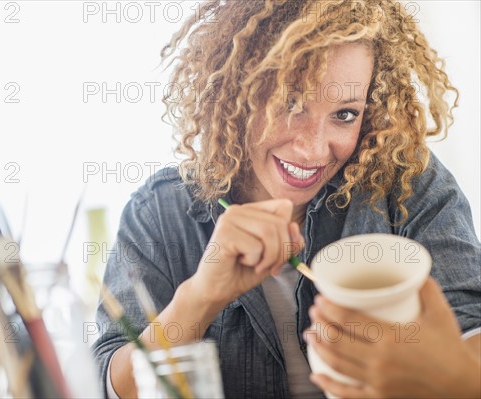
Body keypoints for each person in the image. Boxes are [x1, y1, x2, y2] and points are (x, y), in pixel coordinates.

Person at [92, 1, 481, 398]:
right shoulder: (158, 212)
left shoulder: (405, 181)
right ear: (236, 91)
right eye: (290, 104)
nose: (313, 150)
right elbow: (109, 385)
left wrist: (441, 372)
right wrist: (201, 296)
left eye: (345, 114)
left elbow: (474, 332)